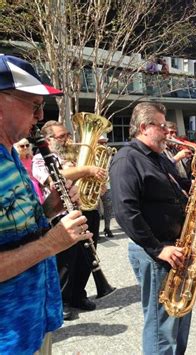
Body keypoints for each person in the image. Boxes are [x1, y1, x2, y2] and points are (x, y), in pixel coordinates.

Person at [0, 54, 91, 354]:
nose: (40, 116)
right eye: (34, 105)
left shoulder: (11, 156)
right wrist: (51, 243)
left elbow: (17, 226)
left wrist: (50, 208)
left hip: (33, 323)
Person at [110, 102, 192, 354]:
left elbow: (177, 189)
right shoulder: (126, 159)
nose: (168, 132)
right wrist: (158, 248)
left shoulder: (159, 158)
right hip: (155, 253)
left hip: (177, 248)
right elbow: (125, 212)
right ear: (144, 127)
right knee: (161, 326)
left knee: (179, 317)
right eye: (163, 126)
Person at [33, 120, 107, 317]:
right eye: (62, 136)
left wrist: (97, 181)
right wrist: (87, 170)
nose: (68, 139)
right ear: (48, 140)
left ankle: (78, 294)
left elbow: (86, 177)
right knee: (65, 261)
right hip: (62, 215)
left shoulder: (73, 156)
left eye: (67, 135)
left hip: (86, 209)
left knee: (86, 257)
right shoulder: (40, 158)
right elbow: (55, 177)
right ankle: (62, 300)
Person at [14, 137, 45, 203]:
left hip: (38, 181)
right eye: (22, 146)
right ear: (17, 148)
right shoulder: (17, 161)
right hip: (29, 184)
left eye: (27, 145)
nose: (25, 147)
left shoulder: (32, 157)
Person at [98, 134, 115, 238]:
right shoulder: (91, 154)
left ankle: (107, 228)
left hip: (106, 185)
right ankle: (96, 230)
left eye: (105, 142)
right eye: (101, 143)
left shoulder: (108, 155)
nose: (103, 145)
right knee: (95, 211)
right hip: (94, 186)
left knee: (108, 207)